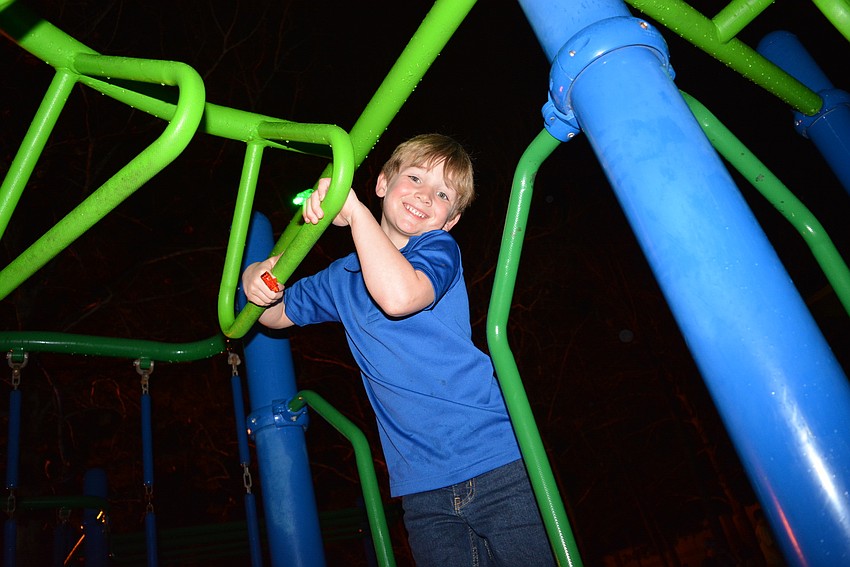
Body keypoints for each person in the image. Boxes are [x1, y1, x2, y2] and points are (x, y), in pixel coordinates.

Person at [242, 133, 555, 566]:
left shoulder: (437, 250)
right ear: (382, 183)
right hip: (420, 483)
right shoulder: (342, 276)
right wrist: (256, 278)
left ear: (450, 220)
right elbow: (273, 316)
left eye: (443, 194)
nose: (425, 196)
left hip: (495, 460)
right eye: (414, 177)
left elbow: (399, 296)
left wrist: (353, 214)